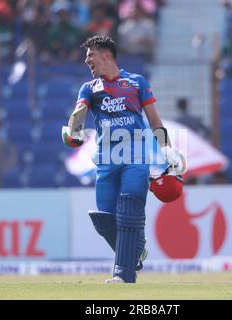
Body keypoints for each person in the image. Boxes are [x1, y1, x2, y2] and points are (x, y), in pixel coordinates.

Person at [61, 36, 184, 283]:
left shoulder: (136, 82)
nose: (87, 61)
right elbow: (78, 119)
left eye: (91, 55)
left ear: (106, 55)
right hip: (106, 160)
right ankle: (137, 249)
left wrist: (167, 150)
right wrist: (73, 131)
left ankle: (123, 274)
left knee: (128, 212)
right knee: (103, 219)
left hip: (136, 157)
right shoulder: (88, 88)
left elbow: (154, 121)